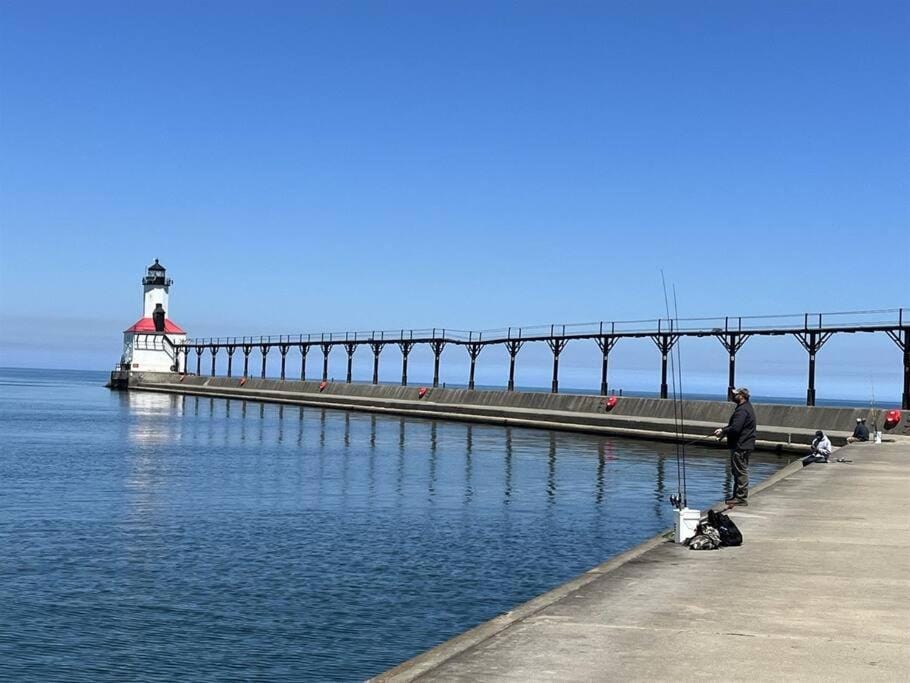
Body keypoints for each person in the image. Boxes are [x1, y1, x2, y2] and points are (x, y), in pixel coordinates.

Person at [714, 387, 757, 506]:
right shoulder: (746, 407)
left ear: (741, 396)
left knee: (740, 471)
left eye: (735, 394)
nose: (732, 396)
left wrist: (723, 431)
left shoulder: (742, 410)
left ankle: (741, 498)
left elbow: (736, 428)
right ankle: (736, 496)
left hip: (741, 445)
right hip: (744, 444)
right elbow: (736, 427)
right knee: (737, 471)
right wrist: (724, 432)